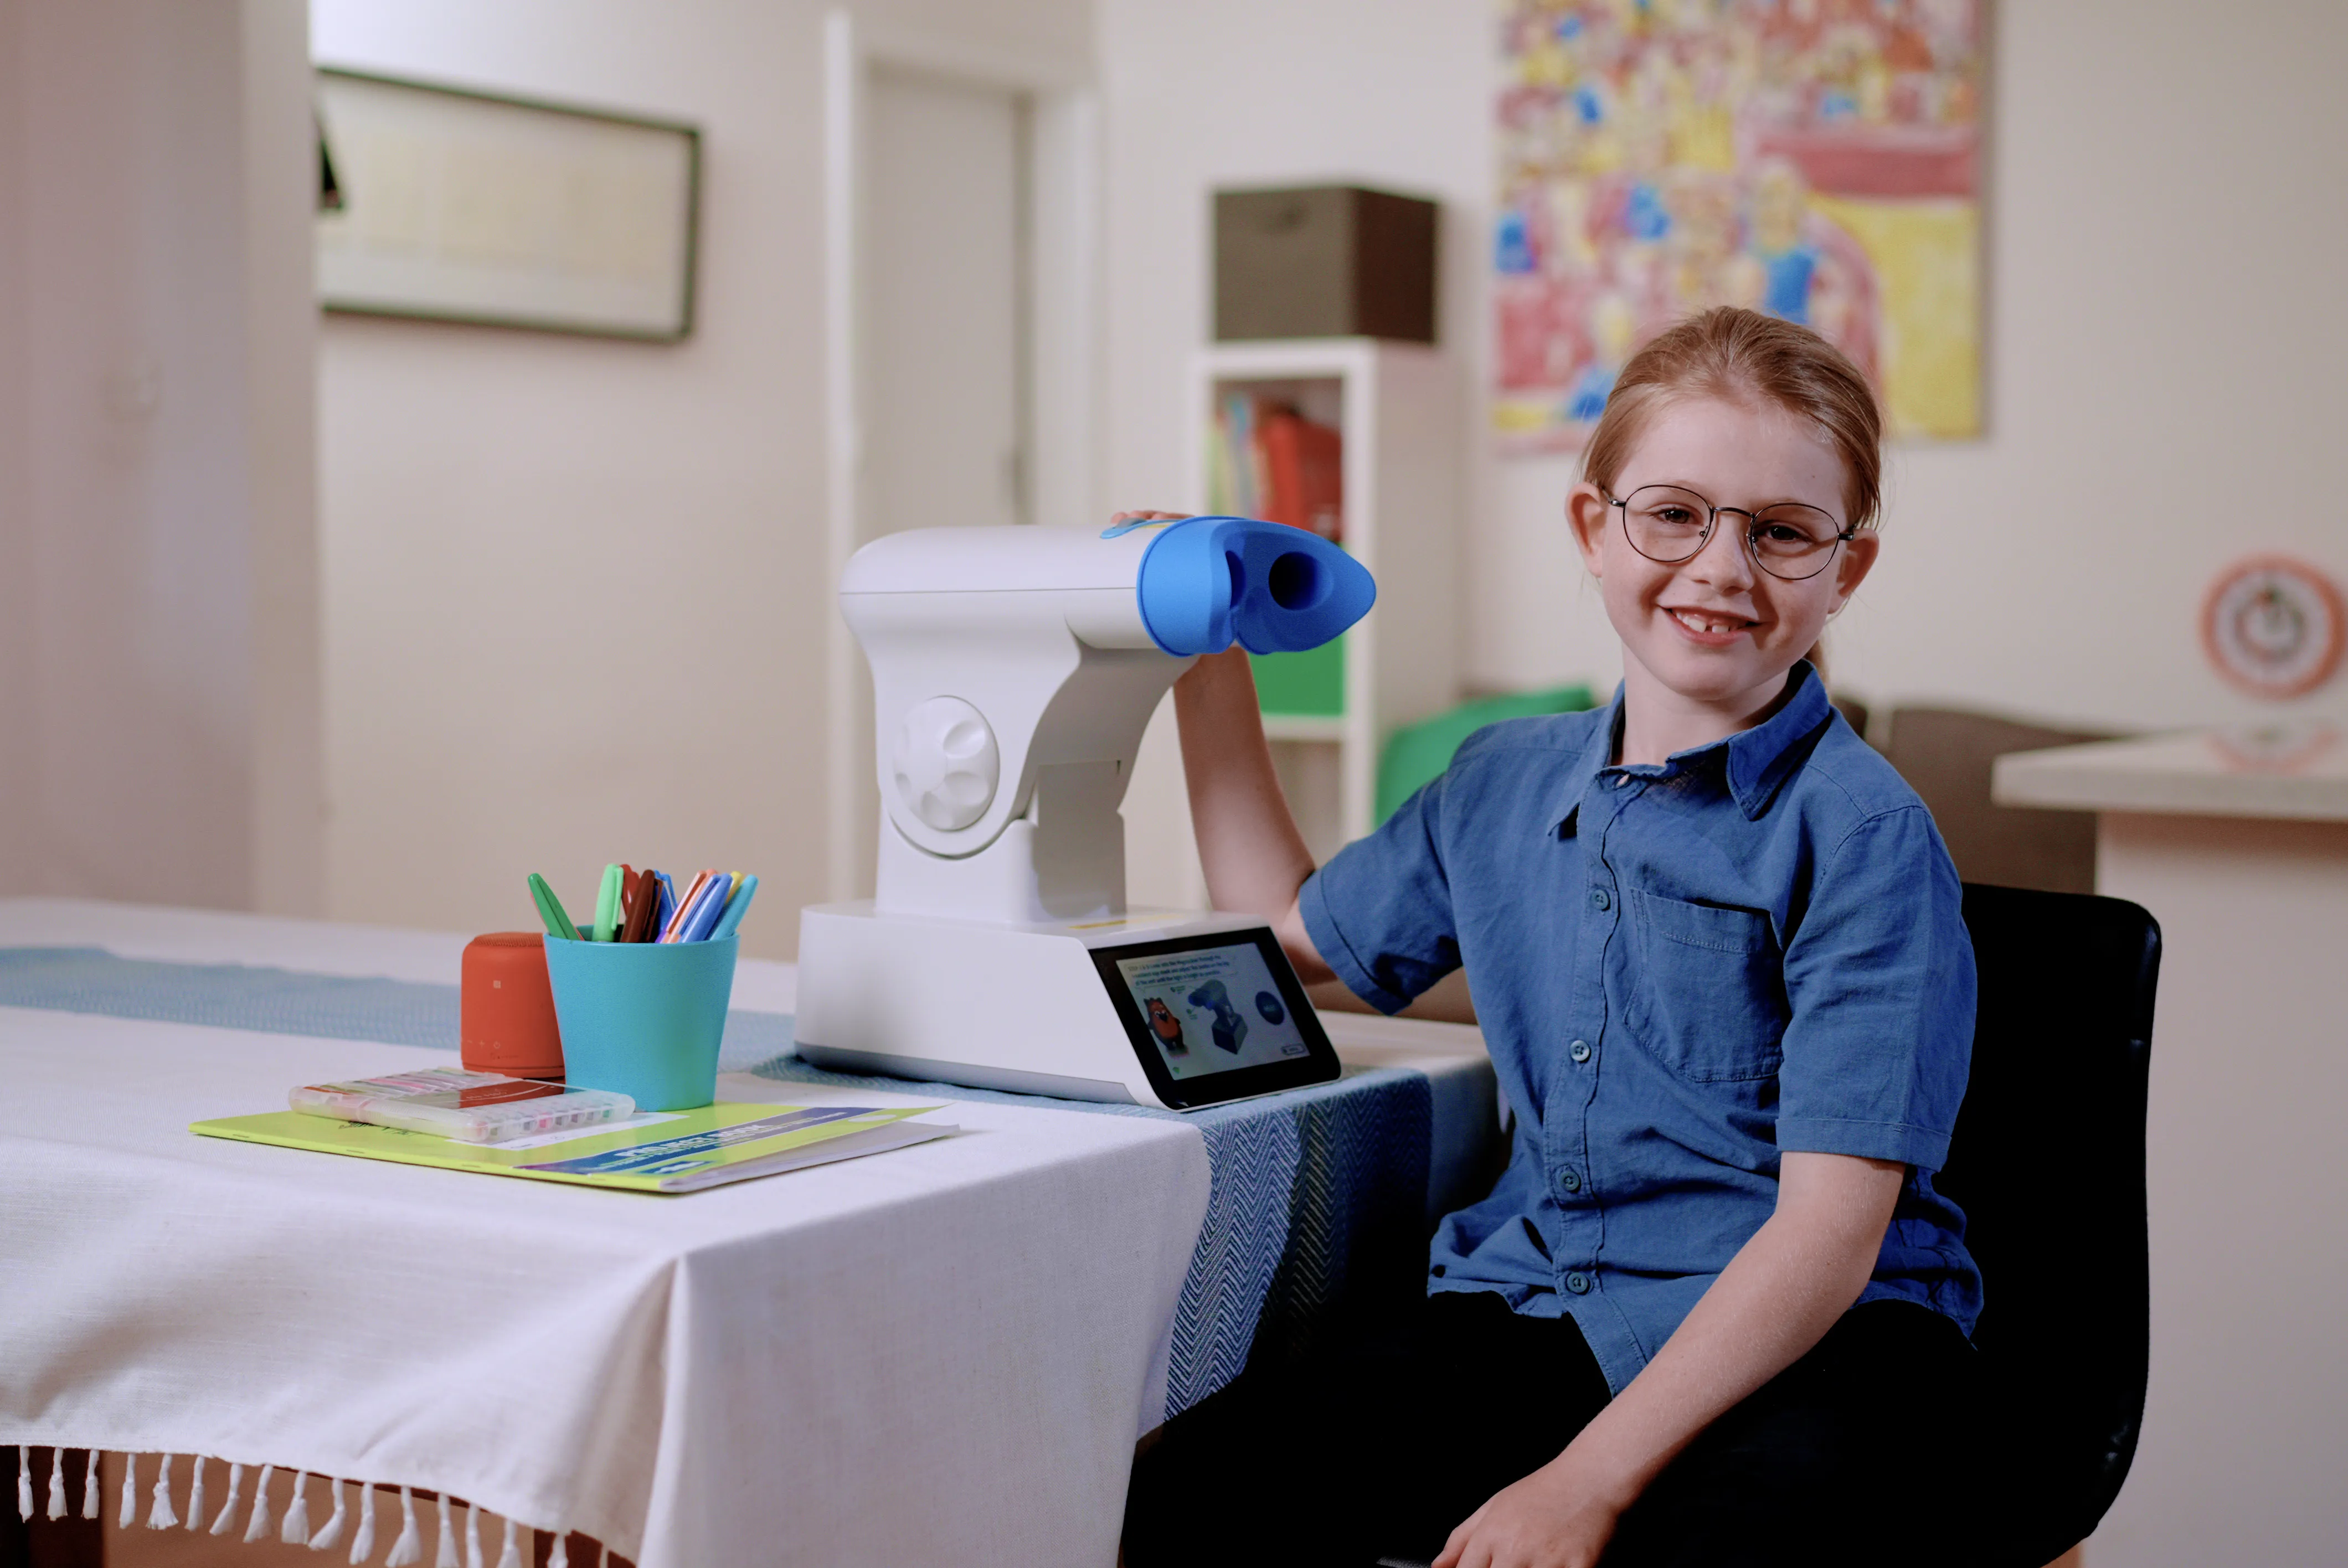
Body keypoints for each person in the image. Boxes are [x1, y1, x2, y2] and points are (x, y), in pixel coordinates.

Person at [1119, 307, 1982, 1568]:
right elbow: (1286, 935)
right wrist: (1206, 665)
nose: (1719, 568)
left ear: (1842, 569)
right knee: (1194, 1496)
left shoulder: (1862, 837)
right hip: (1545, 1300)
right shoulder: (1496, 785)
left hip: (1818, 1332)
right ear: (1594, 527)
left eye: (1780, 532)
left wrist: (1580, 1484)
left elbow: (1823, 1238)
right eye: (1673, 513)